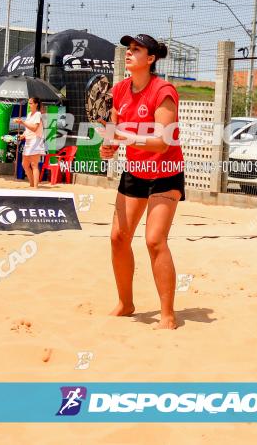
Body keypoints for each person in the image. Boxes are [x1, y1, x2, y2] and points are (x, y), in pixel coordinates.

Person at [100, 33, 185, 330]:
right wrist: (108, 146)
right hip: (135, 169)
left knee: (154, 240)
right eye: (128, 48)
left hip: (166, 170)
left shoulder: (163, 91)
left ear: (150, 59)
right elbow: (113, 130)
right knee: (117, 238)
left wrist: (126, 137)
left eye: (136, 49)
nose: (129, 52)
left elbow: (162, 143)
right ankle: (126, 304)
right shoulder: (120, 89)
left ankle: (167, 316)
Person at [18, 97, 46, 188]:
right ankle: (32, 184)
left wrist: (22, 122)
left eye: (31, 103)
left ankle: (35, 187)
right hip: (28, 141)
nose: (29, 105)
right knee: (24, 164)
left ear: (36, 104)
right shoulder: (29, 114)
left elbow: (34, 128)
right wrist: (23, 135)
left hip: (36, 140)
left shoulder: (38, 114)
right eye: (29, 103)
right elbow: (28, 130)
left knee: (34, 164)